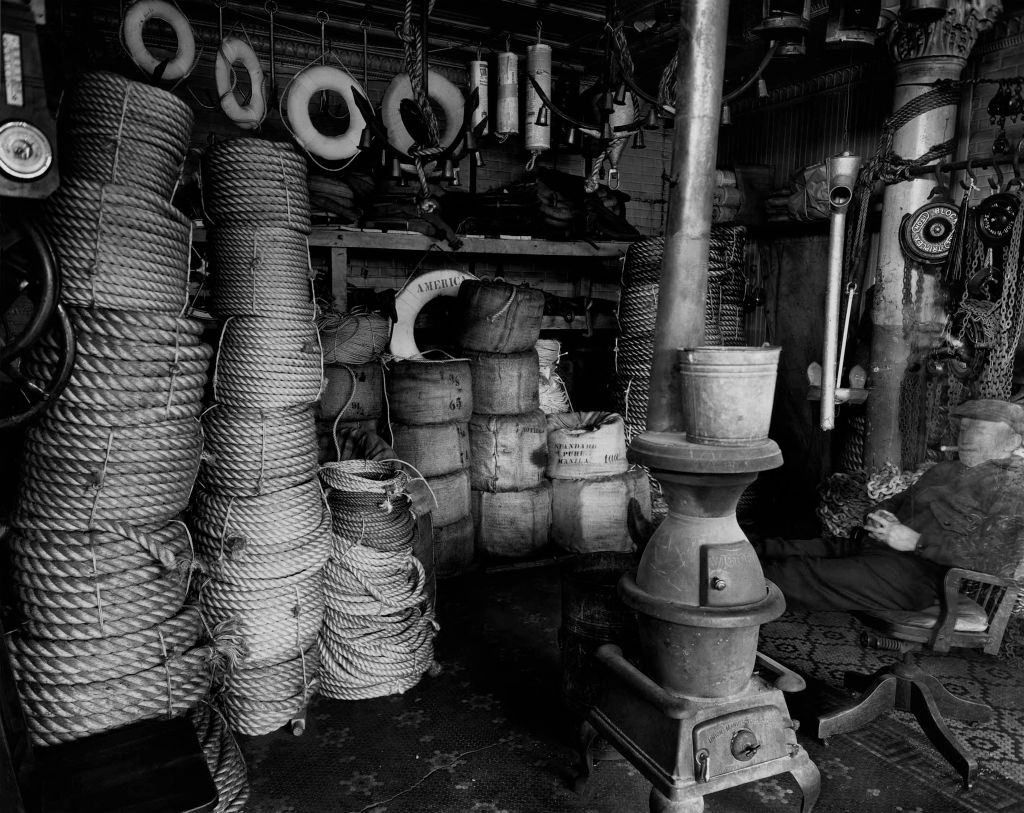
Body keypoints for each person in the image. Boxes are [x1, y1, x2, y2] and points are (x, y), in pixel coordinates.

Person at [758, 398, 1024, 612]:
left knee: (789, 575)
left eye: (979, 430)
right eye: (964, 428)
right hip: (874, 550)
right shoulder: (944, 471)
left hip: (919, 577)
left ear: (1012, 442)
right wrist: (879, 515)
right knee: (770, 549)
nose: (966, 437)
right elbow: (897, 501)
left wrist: (916, 541)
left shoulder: (1012, 487)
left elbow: (994, 560)